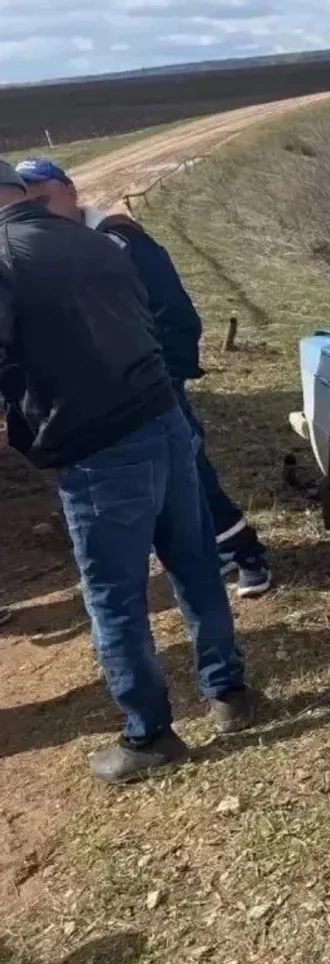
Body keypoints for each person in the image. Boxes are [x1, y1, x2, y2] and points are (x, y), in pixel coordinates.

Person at [0, 160, 255, 783]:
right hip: (162, 420)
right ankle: (229, 695)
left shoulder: (4, 258)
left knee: (114, 597)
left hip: (97, 449)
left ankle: (149, 734)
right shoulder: (93, 239)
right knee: (194, 564)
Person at [17, 158, 273, 597]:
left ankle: (247, 555)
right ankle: (213, 553)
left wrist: (167, 376)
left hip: (150, 383)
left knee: (188, 467)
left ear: (71, 190)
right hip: (111, 392)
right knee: (164, 479)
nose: (40, 208)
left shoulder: (121, 241)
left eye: (46, 197)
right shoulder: (56, 249)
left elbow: (174, 313)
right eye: (31, 202)